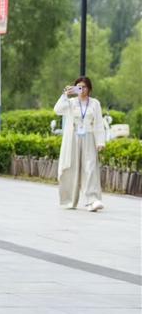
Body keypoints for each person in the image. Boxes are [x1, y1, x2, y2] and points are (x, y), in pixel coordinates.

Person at [55, 76, 106, 212]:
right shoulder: (71, 102)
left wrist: (100, 141)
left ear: (89, 89)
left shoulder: (95, 103)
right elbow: (57, 110)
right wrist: (65, 95)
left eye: (84, 87)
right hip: (73, 138)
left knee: (90, 168)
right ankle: (69, 200)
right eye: (79, 87)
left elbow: (99, 123)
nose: (82, 90)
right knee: (72, 168)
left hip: (89, 137)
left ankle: (92, 200)